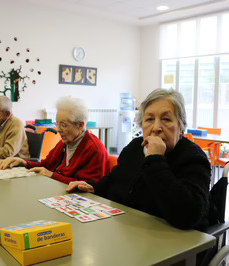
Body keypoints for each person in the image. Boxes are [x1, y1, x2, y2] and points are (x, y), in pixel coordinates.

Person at [67, 89, 211, 231]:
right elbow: (115, 178)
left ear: (181, 127)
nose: (156, 128)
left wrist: (156, 159)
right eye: (149, 119)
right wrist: (94, 187)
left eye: (166, 119)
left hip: (170, 241)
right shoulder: (135, 146)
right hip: (128, 231)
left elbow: (189, 216)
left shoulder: (193, 158)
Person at [0, 96, 110, 184]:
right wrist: (24, 163)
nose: (58, 130)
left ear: (80, 125)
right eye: (57, 124)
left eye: (64, 125)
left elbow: (88, 187)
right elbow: (46, 165)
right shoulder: (64, 143)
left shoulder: (94, 149)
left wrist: (52, 175)